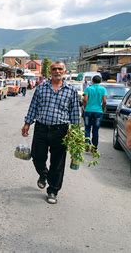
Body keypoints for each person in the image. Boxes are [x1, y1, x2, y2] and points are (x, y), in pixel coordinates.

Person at [21, 61, 80, 205]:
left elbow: (75, 113)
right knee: (37, 156)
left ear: (64, 71)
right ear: (50, 71)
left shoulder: (71, 91)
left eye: (60, 69)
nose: (57, 71)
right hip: (41, 128)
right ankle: (43, 174)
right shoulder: (41, 88)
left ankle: (53, 190)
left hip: (61, 130)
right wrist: (27, 124)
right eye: (54, 69)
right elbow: (33, 107)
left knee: (58, 163)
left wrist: (76, 132)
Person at [82, 75, 107, 150]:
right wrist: (102, 109)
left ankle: (87, 145)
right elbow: (104, 101)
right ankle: (94, 147)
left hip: (88, 111)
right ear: (100, 81)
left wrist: (85, 107)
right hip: (98, 112)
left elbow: (85, 100)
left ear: (92, 81)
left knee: (87, 128)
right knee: (96, 129)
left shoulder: (88, 89)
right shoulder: (103, 89)